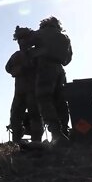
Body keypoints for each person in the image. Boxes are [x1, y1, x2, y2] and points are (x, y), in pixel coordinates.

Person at [30, 16, 72, 145]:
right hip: (60, 71)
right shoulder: (64, 37)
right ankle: (64, 131)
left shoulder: (40, 33)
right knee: (61, 102)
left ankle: (56, 133)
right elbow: (68, 59)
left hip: (45, 69)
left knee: (44, 98)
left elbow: (25, 43)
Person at [5, 26, 43, 143]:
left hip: (33, 90)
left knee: (35, 115)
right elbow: (7, 68)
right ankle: (16, 140)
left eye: (24, 38)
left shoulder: (36, 53)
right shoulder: (16, 55)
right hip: (20, 91)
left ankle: (36, 141)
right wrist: (17, 70)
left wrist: (25, 68)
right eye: (19, 39)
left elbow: (41, 68)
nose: (21, 42)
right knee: (15, 115)